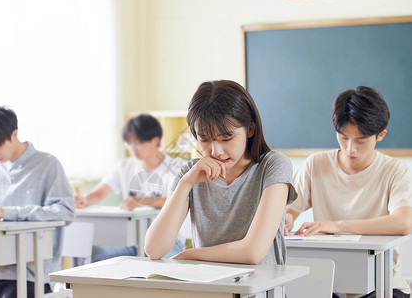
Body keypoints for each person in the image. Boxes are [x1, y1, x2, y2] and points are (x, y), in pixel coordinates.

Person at [145, 80, 296, 265]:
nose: (215, 151)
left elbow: (253, 252)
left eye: (226, 138)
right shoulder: (191, 173)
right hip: (208, 288)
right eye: (205, 139)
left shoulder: (273, 166)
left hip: (258, 290)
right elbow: (154, 249)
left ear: (250, 129)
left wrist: (190, 254)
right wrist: (186, 183)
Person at [284, 86, 412, 298]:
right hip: (329, 284)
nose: (350, 148)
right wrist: (286, 219)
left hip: (381, 285)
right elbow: (288, 210)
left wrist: (336, 226)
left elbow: (404, 223)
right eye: (343, 137)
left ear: (381, 135)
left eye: (361, 141)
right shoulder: (316, 164)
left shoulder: (394, 171)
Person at [0, 106, 75, 298]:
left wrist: (11, 212)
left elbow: (65, 211)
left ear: (14, 134)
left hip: (29, 274)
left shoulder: (48, 164)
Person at [75, 113, 185, 261]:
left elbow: (178, 200)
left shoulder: (175, 167)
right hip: (130, 240)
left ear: (155, 141)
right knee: (91, 254)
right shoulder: (124, 166)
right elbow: (101, 191)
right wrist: (84, 200)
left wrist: (142, 200)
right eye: (129, 143)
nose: (133, 148)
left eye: (138, 142)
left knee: (169, 269)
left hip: (167, 241)